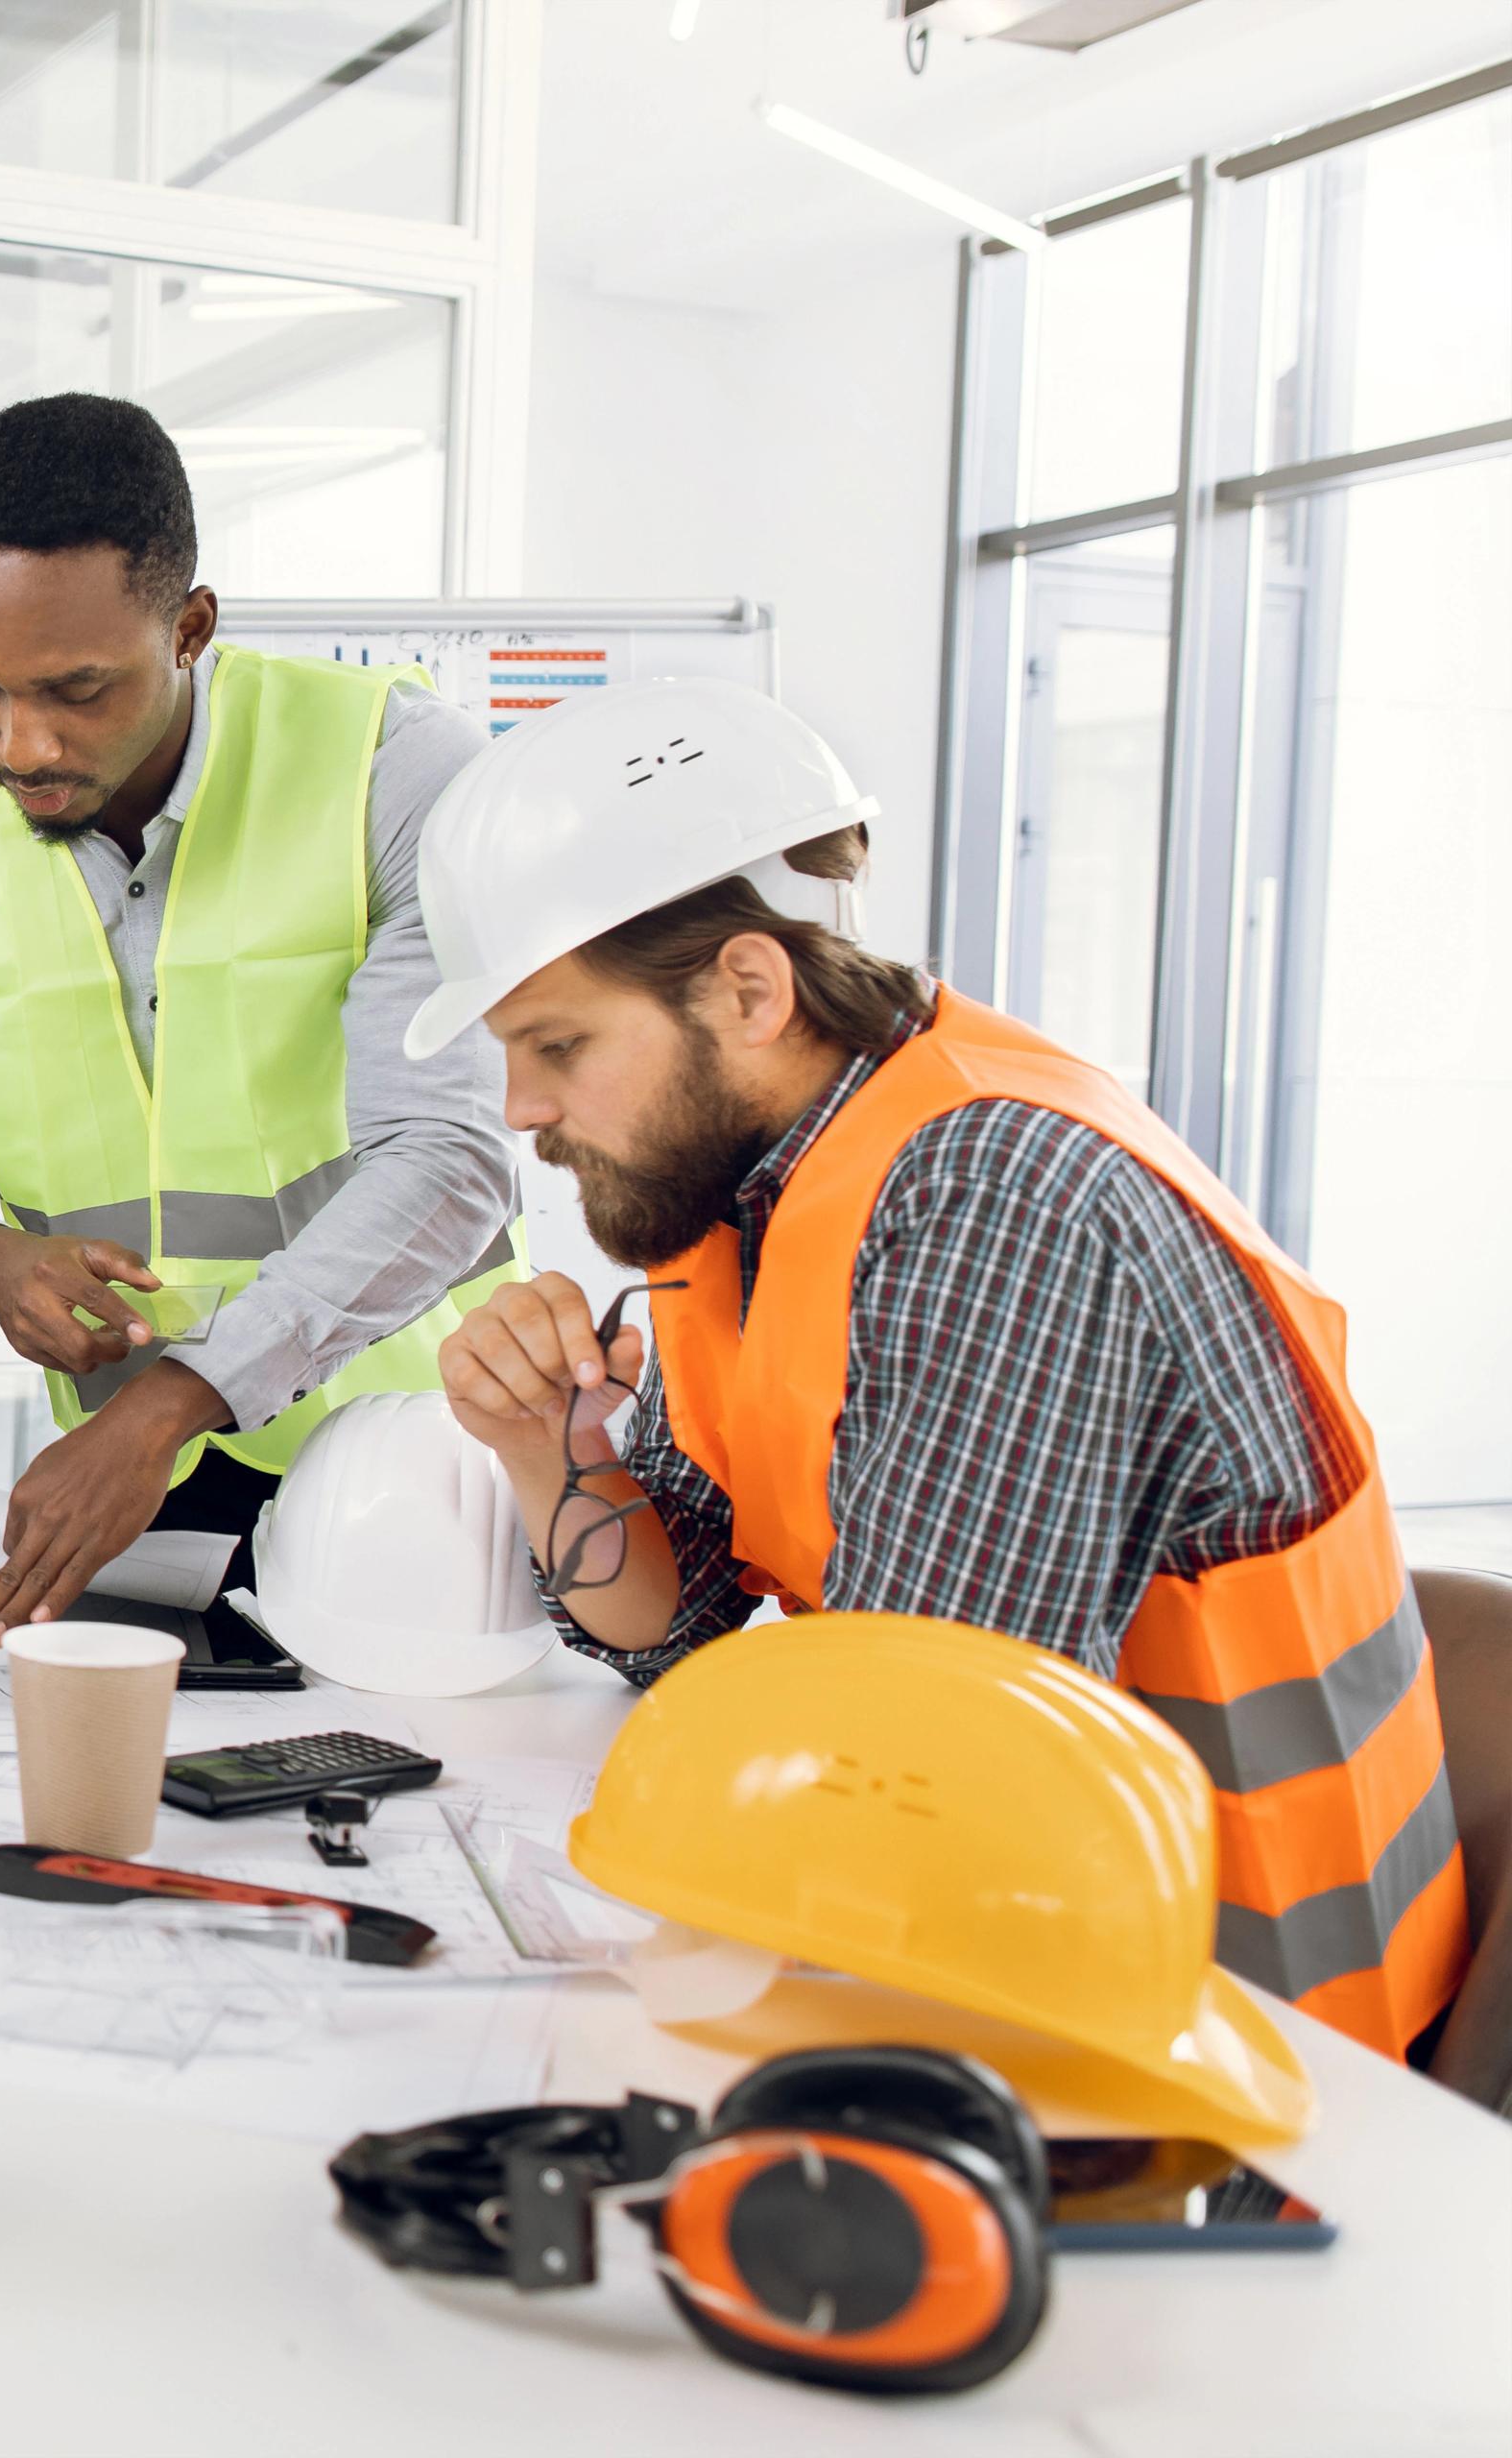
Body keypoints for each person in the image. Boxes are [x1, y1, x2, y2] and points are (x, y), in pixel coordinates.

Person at [416, 676, 1464, 2061]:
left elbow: (927, 1787)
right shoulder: (743, 1193)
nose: (523, 1110)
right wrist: (546, 1445)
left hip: (1225, 2065)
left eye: (559, 1046)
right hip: (1039, 1977)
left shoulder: (996, 1197)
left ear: (747, 989)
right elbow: (672, 1633)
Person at [0, 393, 520, 1646]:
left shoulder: (395, 768)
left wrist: (174, 1401)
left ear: (190, 626)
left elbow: (451, 1156)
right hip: (130, 1491)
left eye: (75, 689)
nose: (16, 741)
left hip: (419, 1456)